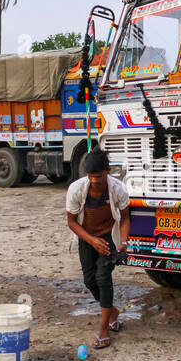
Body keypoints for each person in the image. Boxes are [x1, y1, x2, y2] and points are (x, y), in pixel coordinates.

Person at [65, 149, 131, 348]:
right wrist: (92, 240)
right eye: (91, 177)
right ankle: (112, 311)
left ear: (108, 171)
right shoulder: (76, 190)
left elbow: (125, 217)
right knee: (89, 280)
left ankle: (104, 327)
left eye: (99, 176)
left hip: (109, 236)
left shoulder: (118, 189)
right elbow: (71, 222)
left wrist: (123, 244)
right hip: (86, 236)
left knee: (103, 277)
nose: (95, 181)